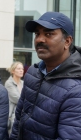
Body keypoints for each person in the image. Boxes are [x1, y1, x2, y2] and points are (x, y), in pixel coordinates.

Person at [10, 12, 81, 140]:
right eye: (37, 34)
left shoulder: (76, 89)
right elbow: (19, 120)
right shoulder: (33, 72)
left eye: (49, 34)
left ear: (67, 41)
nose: (40, 39)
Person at [5, 61, 24, 134]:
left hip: (23, 115)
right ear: (13, 71)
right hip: (13, 117)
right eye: (19, 68)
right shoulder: (9, 83)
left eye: (22, 69)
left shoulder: (23, 83)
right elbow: (19, 99)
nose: (21, 70)